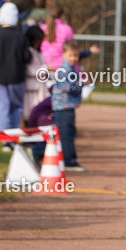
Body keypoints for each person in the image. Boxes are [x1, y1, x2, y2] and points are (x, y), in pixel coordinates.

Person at [0, 2, 30, 131]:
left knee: (1, 108)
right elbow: (27, 57)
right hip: (16, 78)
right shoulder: (21, 37)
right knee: (16, 107)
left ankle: (6, 138)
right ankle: (14, 135)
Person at [52, 41, 86, 172]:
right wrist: (82, 84)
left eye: (76, 56)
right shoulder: (64, 70)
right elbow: (68, 88)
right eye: (71, 55)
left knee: (69, 132)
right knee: (66, 135)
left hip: (68, 106)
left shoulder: (72, 69)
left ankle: (69, 159)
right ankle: (69, 161)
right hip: (63, 107)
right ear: (64, 54)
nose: (74, 58)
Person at [40, 3, 75, 70]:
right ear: (62, 16)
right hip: (63, 66)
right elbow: (72, 47)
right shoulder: (67, 29)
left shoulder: (42, 28)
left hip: (44, 65)